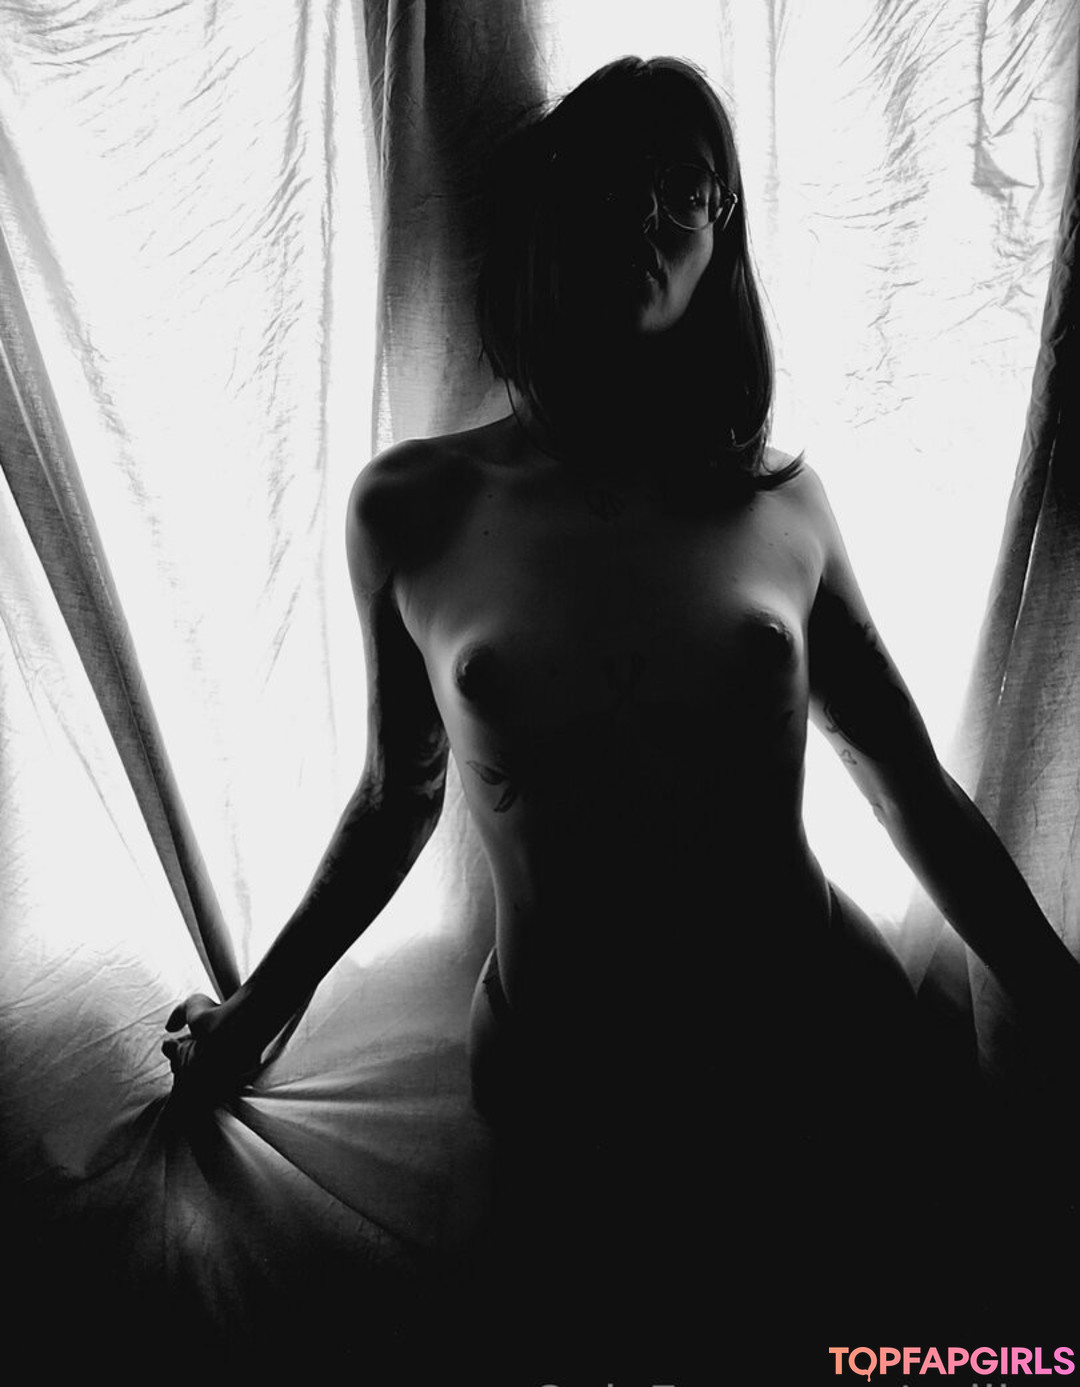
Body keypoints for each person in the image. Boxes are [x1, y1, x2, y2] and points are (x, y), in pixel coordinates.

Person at [163, 55, 1079, 1367]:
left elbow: (911, 788)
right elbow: (398, 797)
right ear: (553, 207)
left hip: (816, 1049)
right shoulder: (413, 507)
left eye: (685, 189)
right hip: (564, 1087)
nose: (648, 215)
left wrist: (1058, 997)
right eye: (613, 180)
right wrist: (256, 1016)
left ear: (724, 236)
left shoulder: (781, 506)